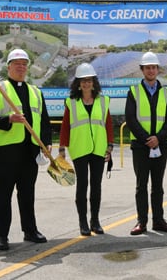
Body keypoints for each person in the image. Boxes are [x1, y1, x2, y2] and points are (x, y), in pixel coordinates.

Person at [0, 48, 52, 251]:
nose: (21, 67)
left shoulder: (36, 92)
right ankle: (2, 236)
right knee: (3, 195)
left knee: (27, 194)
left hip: (30, 152)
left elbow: (45, 121)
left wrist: (46, 142)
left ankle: (30, 230)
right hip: (4, 153)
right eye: (17, 64)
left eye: (24, 64)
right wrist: (8, 119)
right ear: (9, 67)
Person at [59, 62, 114, 236]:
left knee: (96, 186)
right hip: (79, 149)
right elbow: (65, 126)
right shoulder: (71, 102)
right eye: (83, 80)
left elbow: (108, 125)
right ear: (78, 83)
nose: (86, 83)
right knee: (82, 186)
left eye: (89, 80)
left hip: (99, 149)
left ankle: (95, 221)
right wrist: (62, 148)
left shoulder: (103, 101)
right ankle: (83, 222)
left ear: (94, 82)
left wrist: (110, 145)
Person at [125, 51, 167, 235]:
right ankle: (142, 221)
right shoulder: (133, 91)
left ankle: (158, 220)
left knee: (158, 186)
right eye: (148, 68)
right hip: (141, 147)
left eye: (154, 67)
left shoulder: (166, 93)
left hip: (160, 146)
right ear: (142, 70)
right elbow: (130, 119)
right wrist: (147, 139)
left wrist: (159, 138)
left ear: (158, 70)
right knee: (141, 186)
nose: (151, 70)